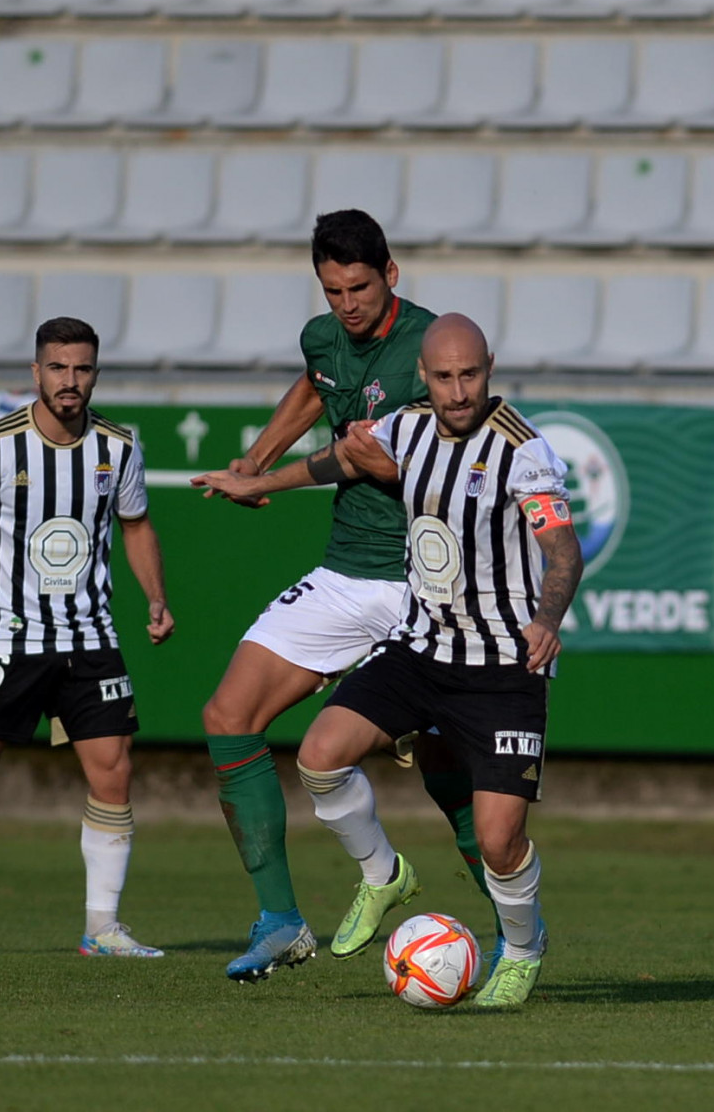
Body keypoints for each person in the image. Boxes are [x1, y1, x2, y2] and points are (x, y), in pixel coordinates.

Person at [206, 313, 583, 1009]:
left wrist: (546, 618)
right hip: (419, 647)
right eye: (444, 377)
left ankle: (525, 946)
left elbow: (562, 548)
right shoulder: (406, 427)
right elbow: (338, 460)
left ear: (490, 366)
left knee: (501, 840)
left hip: (501, 667)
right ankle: (383, 873)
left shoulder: (522, 451)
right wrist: (258, 481)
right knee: (320, 754)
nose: (458, 390)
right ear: (425, 377)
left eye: (470, 374)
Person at [194, 210, 501, 984]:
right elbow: (315, 383)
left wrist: (291, 472)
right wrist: (255, 457)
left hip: (425, 583)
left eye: (359, 286)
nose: (347, 304)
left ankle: (510, 937)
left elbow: (411, 468)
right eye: (332, 289)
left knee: (443, 763)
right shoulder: (324, 337)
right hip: (344, 572)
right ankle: (283, 922)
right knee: (228, 716)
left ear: (390, 274)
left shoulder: (431, 348)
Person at [0, 317, 174, 959]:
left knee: (114, 773)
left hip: (90, 637)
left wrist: (155, 597)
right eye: (58, 368)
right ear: (36, 371)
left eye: (82, 369)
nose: (70, 381)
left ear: (95, 373)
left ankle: (102, 929)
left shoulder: (119, 448)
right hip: (7, 638)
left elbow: (136, 527)